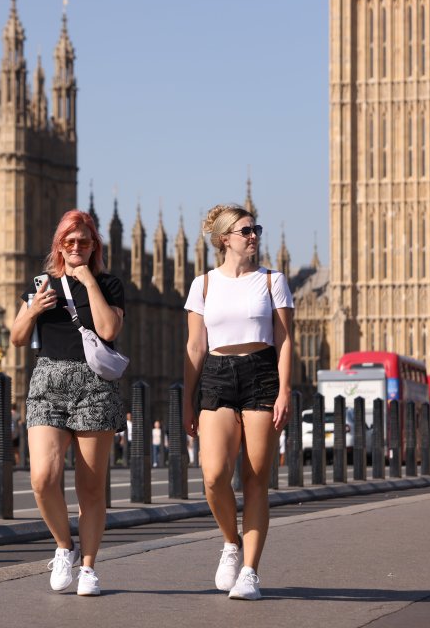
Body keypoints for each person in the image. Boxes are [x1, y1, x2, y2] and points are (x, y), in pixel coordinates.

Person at [11, 209, 125, 597]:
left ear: (95, 246)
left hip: (94, 385)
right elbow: (17, 337)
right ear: (59, 245)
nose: (76, 247)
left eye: (84, 242)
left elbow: (108, 330)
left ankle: (89, 567)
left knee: (91, 489)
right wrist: (34, 309)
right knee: (42, 478)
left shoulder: (108, 285)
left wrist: (87, 278)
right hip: (48, 382)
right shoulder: (41, 284)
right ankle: (64, 547)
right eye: (69, 241)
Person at [183, 204, 293, 601]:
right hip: (217, 373)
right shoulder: (204, 285)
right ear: (224, 239)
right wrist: (187, 400)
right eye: (246, 230)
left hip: (261, 373)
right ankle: (231, 542)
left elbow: (284, 340)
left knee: (255, 478)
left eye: (255, 229)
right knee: (213, 475)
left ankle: (250, 571)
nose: (253, 236)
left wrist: (284, 390)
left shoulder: (272, 281)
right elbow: (195, 346)